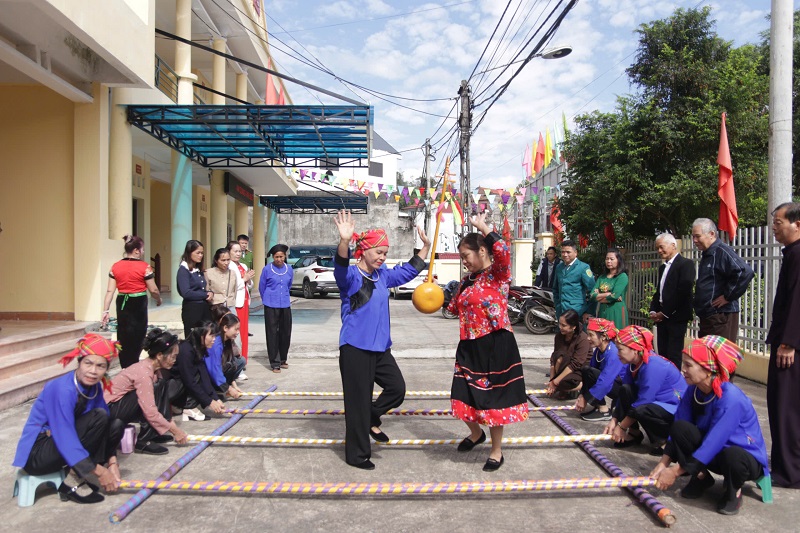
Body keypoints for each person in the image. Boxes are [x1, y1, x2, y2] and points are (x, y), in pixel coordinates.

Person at [332, 209, 431, 470]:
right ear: (364, 251)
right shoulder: (352, 278)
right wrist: (344, 241)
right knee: (357, 403)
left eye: (385, 253)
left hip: (380, 349)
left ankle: (371, 417)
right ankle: (357, 455)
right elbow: (340, 267)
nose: (382, 257)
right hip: (355, 348)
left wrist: (425, 248)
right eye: (379, 252)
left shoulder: (383, 275)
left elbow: (408, 272)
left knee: (397, 389)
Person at [447, 211, 529, 472]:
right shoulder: (465, 282)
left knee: (494, 399)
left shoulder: (498, 274)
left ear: (481, 251)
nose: (464, 262)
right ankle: (476, 434)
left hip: (496, 343)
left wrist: (484, 228)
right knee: (461, 393)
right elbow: (452, 308)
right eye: (461, 258)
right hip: (469, 344)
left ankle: (496, 450)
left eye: (466, 256)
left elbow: (502, 250)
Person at [650, 336, 768, 515]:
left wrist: (674, 472)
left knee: (733, 455)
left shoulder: (731, 398)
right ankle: (701, 477)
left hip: (742, 458)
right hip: (713, 451)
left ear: (708, 370)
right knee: (680, 428)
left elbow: (714, 442)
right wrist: (662, 464)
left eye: (688, 365)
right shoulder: (694, 389)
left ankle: (733, 491)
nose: (683, 369)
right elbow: (678, 428)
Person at [13, 334, 124, 504]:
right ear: (79, 362)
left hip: (61, 444)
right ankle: (72, 480)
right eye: (88, 363)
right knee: (99, 416)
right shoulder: (62, 388)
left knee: (115, 423)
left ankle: (78, 469)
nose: (93, 371)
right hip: (38, 454)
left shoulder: (94, 387)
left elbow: (105, 425)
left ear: (106, 369)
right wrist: (101, 472)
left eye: (100, 366)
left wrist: (112, 462)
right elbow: (64, 435)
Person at [104, 329, 189, 455]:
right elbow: (150, 411)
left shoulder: (154, 370)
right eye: (173, 356)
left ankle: (153, 434)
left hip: (121, 406)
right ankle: (144, 441)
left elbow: (161, 403)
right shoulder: (143, 373)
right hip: (109, 410)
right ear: (159, 355)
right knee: (146, 398)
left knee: (160, 385)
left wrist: (169, 423)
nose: (175, 360)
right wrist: (175, 431)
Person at [604, 325, 687, 453]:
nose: (617, 353)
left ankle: (664, 441)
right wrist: (614, 419)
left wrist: (621, 426)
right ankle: (634, 433)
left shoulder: (653, 365)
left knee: (642, 409)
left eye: (620, 349)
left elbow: (644, 401)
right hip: (655, 405)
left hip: (673, 409)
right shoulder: (633, 364)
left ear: (635, 349)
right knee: (626, 390)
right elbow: (624, 394)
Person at [766, 202, 800, 488]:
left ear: (797, 224)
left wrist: (789, 341)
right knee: (781, 406)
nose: (774, 228)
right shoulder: (792, 253)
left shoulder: (799, 254)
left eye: (778, 223)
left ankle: (789, 473)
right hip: (787, 341)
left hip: (791, 347)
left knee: (787, 408)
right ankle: (784, 465)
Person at [101, 235, 162, 368]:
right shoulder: (144, 267)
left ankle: (125, 365)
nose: (143, 252)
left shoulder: (115, 266)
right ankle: (133, 365)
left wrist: (105, 311)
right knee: (138, 334)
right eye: (142, 249)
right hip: (138, 303)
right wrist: (158, 299)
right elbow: (153, 289)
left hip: (122, 302)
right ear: (136, 251)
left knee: (123, 334)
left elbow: (110, 291)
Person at [691, 218, 754, 342]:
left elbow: (744, 272)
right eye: (693, 237)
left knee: (719, 353)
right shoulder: (708, 253)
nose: (695, 240)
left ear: (711, 234)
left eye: (698, 236)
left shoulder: (722, 251)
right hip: (709, 317)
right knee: (706, 353)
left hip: (720, 317)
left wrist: (728, 296)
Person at [649, 233, 696, 368]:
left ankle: (674, 380)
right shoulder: (662, 267)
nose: (659, 251)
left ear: (673, 245)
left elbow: (683, 292)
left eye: (661, 247)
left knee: (673, 354)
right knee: (662, 352)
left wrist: (665, 313)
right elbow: (659, 291)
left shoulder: (685, 264)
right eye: (657, 248)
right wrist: (653, 310)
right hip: (662, 317)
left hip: (676, 316)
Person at [170, 322, 226, 421]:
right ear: (201, 335)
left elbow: (204, 375)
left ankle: (180, 405)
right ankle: (188, 407)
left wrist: (215, 398)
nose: (214, 339)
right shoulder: (186, 350)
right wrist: (209, 402)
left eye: (215, 336)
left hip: (179, 385)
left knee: (200, 374)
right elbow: (189, 380)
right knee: (195, 376)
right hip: (170, 388)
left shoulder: (198, 348)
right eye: (211, 336)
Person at [575, 318, 625, 421]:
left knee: (592, 373)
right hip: (611, 383)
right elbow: (590, 374)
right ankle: (600, 407)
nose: (588, 338)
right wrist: (582, 394)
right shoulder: (599, 350)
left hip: (622, 388)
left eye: (591, 335)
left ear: (603, 337)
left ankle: (604, 410)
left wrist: (586, 398)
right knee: (587, 370)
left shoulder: (613, 353)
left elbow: (605, 381)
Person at [259, 244, 293, 373]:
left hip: (285, 304)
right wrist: (267, 299)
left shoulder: (289, 269)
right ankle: (275, 362)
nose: (279, 259)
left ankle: (283, 358)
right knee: (272, 333)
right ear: (273, 257)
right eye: (276, 257)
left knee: (285, 332)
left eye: (281, 256)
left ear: (285, 256)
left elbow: (289, 285)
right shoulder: (267, 269)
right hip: (270, 304)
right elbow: (262, 287)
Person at [546, 309, 592, 400]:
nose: (560, 327)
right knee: (559, 357)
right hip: (565, 365)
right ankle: (563, 388)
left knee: (562, 384)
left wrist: (555, 382)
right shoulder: (559, 336)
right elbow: (554, 358)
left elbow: (576, 363)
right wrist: (552, 380)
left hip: (580, 369)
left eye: (564, 325)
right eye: (559, 324)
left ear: (573, 327)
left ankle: (585, 385)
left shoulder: (583, 339)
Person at [227, 240, 255, 372]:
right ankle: (236, 361)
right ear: (229, 252)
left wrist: (248, 280)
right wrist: (244, 279)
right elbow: (231, 286)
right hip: (235, 303)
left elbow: (250, 284)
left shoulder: (243, 265)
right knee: (236, 334)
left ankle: (243, 360)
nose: (238, 254)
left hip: (244, 302)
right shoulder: (229, 266)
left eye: (240, 251)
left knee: (244, 333)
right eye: (235, 251)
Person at [552, 239, 595, 322]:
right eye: (563, 252)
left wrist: (589, 312)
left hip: (577, 311)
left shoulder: (583, 267)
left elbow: (592, 291)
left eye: (568, 252)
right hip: (561, 311)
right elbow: (555, 289)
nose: (565, 255)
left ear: (575, 253)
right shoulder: (559, 267)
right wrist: (557, 305)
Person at [205, 312, 245, 400]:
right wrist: (229, 389)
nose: (238, 332)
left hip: (216, 370)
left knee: (239, 361)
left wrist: (233, 385)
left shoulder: (227, 341)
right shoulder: (215, 343)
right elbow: (214, 369)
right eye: (236, 329)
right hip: (206, 374)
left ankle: (221, 387)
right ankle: (216, 388)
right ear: (225, 328)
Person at [177, 240, 213, 338]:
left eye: (202, 253)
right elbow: (186, 292)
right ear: (189, 253)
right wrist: (204, 295)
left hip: (204, 308)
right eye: (198, 253)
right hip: (192, 310)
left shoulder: (197, 269)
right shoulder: (183, 270)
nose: (200, 255)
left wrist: (210, 293)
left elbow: (202, 287)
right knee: (193, 339)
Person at [589, 248, 629, 329]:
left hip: (616, 310)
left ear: (618, 260)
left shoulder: (622, 276)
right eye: (607, 259)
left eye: (611, 259)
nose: (608, 261)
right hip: (602, 310)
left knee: (616, 333)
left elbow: (614, 296)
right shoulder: (602, 277)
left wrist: (599, 296)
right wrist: (607, 294)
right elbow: (592, 296)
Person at [205, 248, 236, 313]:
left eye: (228, 260)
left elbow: (235, 291)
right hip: (215, 307)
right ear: (216, 260)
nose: (226, 263)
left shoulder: (232, 273)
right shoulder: (208, 273)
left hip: (230, 307)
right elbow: (207, 290)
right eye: (223, 260)